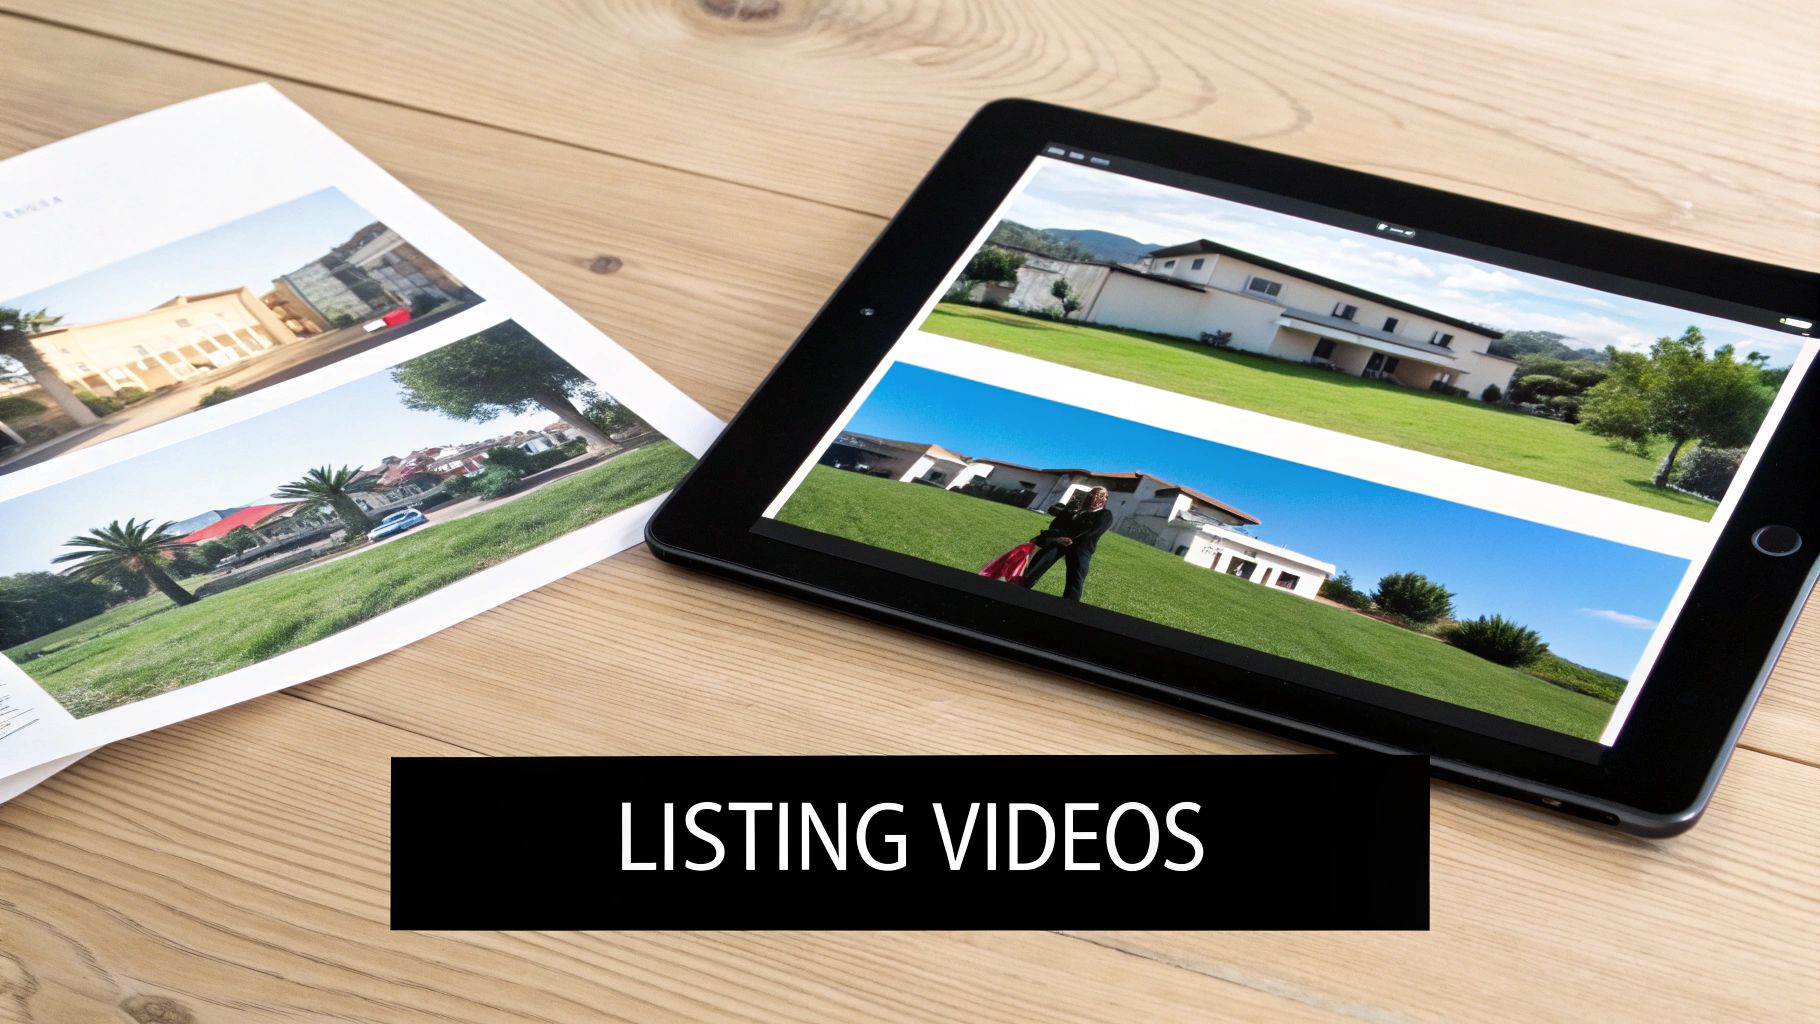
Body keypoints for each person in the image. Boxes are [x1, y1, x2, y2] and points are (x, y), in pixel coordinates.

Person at [1021, 486, 1112, 601]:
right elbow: (1056, 517)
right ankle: (1023, 586)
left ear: (1105, 499)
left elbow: (1093, 532)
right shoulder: (1078, 512)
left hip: (1080, 549)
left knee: (1075, 580)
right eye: (1092, 494)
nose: (1095, 497)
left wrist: (1071, 539)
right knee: (1038, 563)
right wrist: (1057, 538)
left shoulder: (1105, 514)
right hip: (1059, 543)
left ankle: (1069, 605)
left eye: (1100, 495)